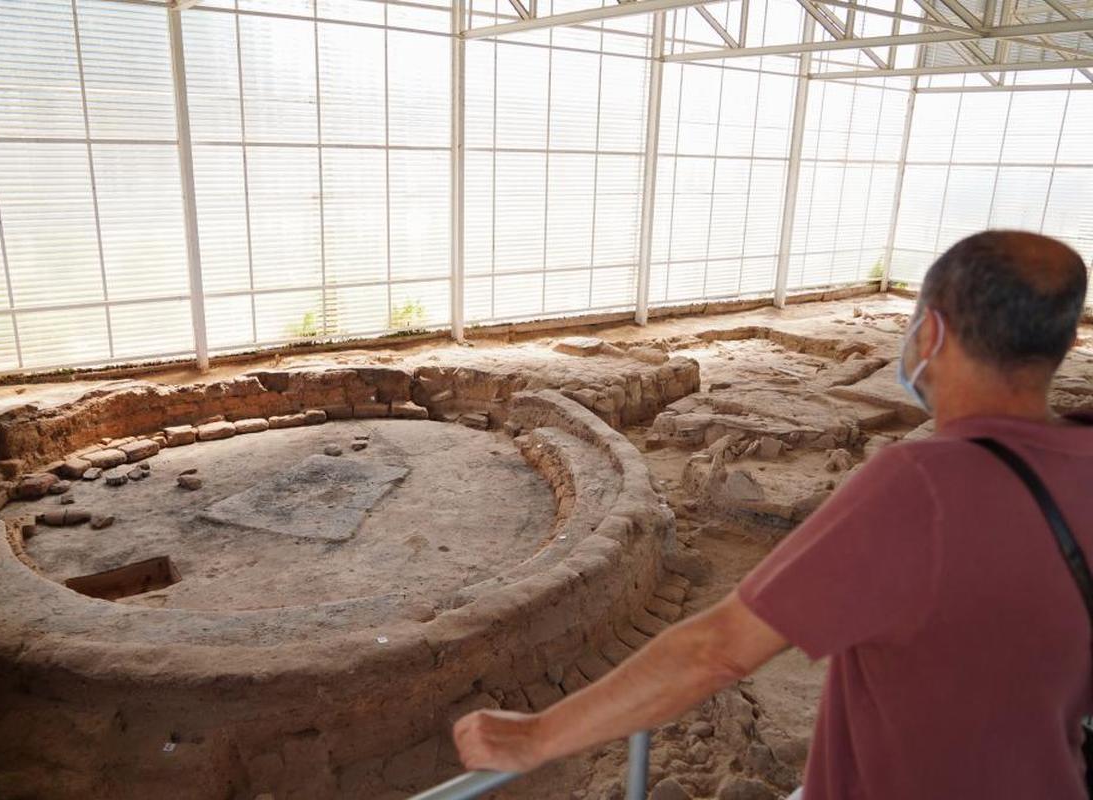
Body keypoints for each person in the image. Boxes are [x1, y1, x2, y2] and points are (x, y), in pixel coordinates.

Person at [453, 230, 1093, 799]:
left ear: (930, 331)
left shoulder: (920, 485)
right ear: (1064, 340)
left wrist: (535, 738)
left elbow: (717, 649)